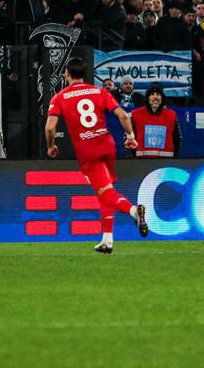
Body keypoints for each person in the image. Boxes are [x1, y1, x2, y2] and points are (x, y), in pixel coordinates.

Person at [45, 57, 148, 253]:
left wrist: (51, 146)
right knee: (105, 191)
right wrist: (131, 136)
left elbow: (50, 127)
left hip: (88, 150)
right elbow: (123, 115)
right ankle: (107, 240)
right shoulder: (99, 92)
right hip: (107, 146)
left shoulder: (60, 97)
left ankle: (135, 211)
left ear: (67, 74)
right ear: (84, 74)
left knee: (106, 193)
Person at [130, 84, 181, 158]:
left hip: (166, 162)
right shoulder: (135, 114)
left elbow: (177, 139)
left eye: (158, 94)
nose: (155, 97)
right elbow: (129, 139)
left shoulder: (171, 115)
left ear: (162, 98)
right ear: (147, 98)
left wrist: (173, 159)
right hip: (140, 162)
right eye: (152, 94)